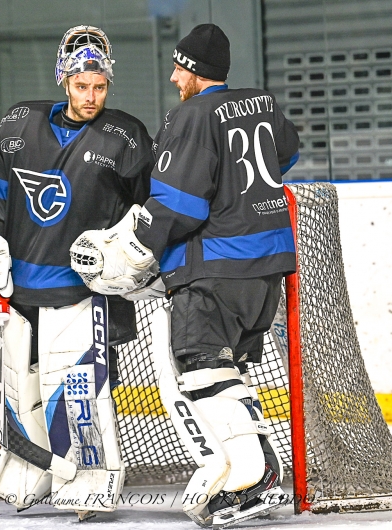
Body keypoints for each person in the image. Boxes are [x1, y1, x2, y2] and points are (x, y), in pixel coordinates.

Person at [70, 23, 300, 527]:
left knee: (199, 367)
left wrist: (135, 249)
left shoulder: (191, 116)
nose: (174, 76)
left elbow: (179, 202)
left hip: (218, 268)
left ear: (195, 72)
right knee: (226, 368)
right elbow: (288, 153)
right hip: (268, 268)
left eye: (179, 68)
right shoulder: (259, 103)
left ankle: (252, 477)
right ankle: (255, 469)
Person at [0, 26, 154, 518]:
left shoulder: (125, 136)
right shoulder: (18, 123)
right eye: (82, 86)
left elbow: (149, 210)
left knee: (76, 389)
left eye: (99, 87)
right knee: (18, 387)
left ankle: (89, 477)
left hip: (83, 291)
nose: (91, 96)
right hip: (21, 290)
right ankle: (32, 469)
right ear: (63, 79)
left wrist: (129, 256)